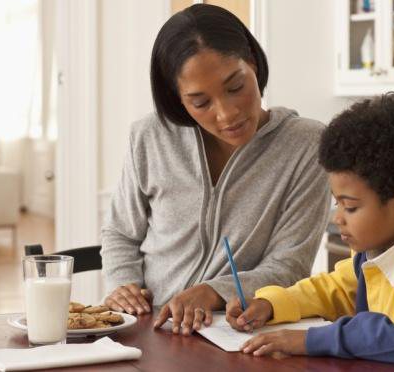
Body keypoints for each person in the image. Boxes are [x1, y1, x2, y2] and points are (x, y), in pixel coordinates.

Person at [100, 3, 330, 336]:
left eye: (235, 87)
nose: (227, 114)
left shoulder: (306, 145)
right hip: (151, 328)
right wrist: (125, 285)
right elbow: (121, 232)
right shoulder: (149, 136)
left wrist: (213, 292)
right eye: (201, 102)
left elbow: (289, 265)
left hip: (236, 332)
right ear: (178, 98)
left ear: (252, 63)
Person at [226, 93, 394, 370]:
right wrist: (272, 304)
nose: (338, 218)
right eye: (337, 203)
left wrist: (310, 340)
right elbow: (339, 290)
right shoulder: (379, 250)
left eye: (350, 207)